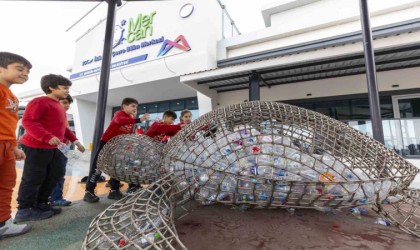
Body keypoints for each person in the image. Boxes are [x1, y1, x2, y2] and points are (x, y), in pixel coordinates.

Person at [15, 74, 84, 223]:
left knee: (54, 174)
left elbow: (64, 129)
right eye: (64, 88)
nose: (67, 91)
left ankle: (41, 203)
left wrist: (76, 142)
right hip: (36, 146)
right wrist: (46, 136)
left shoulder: (59, 106)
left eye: (68, 88)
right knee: (34, 177)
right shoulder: (39, 102)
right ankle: (25, 210)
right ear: (51, 87)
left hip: (55, 148)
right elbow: (28, 121)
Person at [83, 97, 149, 203]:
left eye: (136, 107)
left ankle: (114, 191)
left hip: (118, 147)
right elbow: (119, 121)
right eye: (133, 106)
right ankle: (88, 192)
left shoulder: (131, 120)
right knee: (97, 167)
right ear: (124, 106)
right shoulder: (119, 113)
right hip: (106, 143)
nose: (135, 109)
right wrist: (138, 119)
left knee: (116, 168)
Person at [0, 52, 32, 238]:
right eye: (19, 69)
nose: (25, 74)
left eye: (27, 72)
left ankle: (3, 224)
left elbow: (9, 124)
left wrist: (13, 147)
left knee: (6, 185)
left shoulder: (12, 95)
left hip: (7, 146)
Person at [49, 95, 82, 206]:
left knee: (59, 174)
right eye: (64, 102)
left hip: (62, 148)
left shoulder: (62, 116)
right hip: (52, 148)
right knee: (55, 174)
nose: (67, 105)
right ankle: (53, 198)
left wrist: (76, 142)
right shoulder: (52, 115)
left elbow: (66, 131)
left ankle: (55, 197)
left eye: (68, 103)